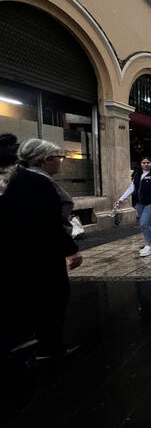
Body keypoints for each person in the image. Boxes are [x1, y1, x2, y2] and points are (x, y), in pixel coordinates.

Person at [1, 139, 83, 360]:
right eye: (59, 157)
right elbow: (48, 222)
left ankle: (28, 338)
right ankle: (50, 348)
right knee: (53, 297)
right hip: (41, 252)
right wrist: (71, 250)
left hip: (23, 251)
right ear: (45, 160)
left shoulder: (21, 178)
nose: (60, 162)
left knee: (31, 295)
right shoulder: (38, 182)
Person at [115, 156, 151, 257]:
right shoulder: (137, 175)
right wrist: (120, 200)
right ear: (140, 164)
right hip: (139, 204)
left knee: (143, 223)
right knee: (148, 224)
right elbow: (131, 189)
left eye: (148, 162)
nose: (146, 164)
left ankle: (148, 245)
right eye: (144, 163)